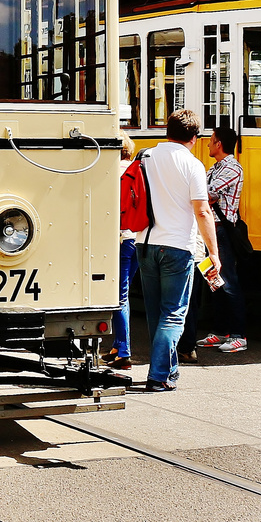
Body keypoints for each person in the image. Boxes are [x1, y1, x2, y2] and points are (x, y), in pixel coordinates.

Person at [138, 109, 220, 392]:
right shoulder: (192, 164)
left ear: (167, 130)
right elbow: (202, 210)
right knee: (173, 313)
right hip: (178, 246)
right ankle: (159, 375)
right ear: (194, 138)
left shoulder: (145, 157)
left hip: (145, 243)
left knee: (155, 313)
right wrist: (214, 253)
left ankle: (167, 369)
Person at [191, 125, 248, 353]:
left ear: (219, 144)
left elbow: (204, 194)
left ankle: (238, 335)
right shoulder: (216, 168)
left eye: (211, 140)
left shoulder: (232, 168)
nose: (207, 144)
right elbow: (202, 195)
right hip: (210, 229)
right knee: (214, 282)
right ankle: (221, 332)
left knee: (229, 282)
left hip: (221, 231)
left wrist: (202, 196)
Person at [102, 137, 137, 371]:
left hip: (119, 239)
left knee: (118, 296)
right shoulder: (138, 170)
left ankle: (124, 351)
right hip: (137, 238)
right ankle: (116, 346)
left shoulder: (109, 172)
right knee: (123, 293)